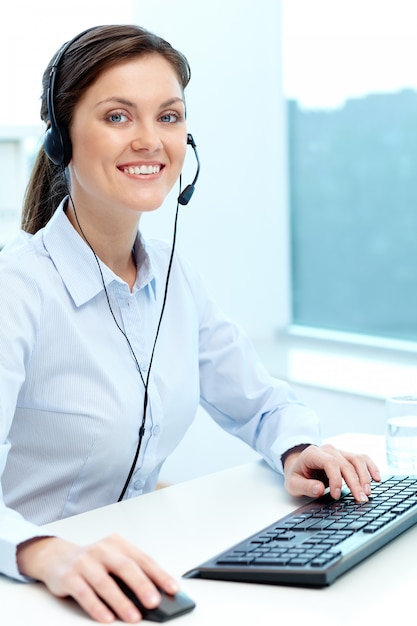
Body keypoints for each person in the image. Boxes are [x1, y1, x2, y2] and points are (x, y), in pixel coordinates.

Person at [0, 24, 380, 624]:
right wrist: (44, 552)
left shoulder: (173, 280)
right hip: (29, 586)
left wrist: (299, 448)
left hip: (131, 577)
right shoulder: (15, 292)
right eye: (118, 117)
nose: (150, 140)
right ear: (60, 139)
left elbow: (260, 405)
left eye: (169, 116)